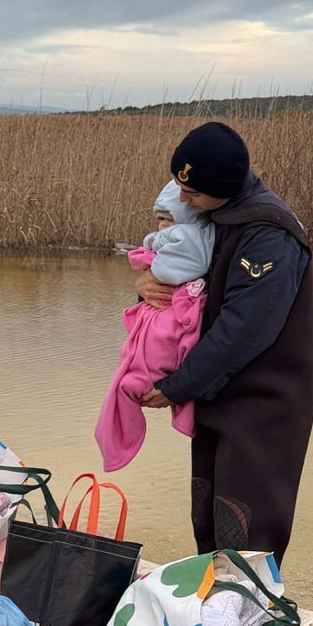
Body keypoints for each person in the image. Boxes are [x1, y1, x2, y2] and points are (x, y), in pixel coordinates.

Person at [137, 121, 313, 561]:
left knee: (248, 530)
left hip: (264, 405)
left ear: (224, 187)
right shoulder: (214, 216)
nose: (182, 200)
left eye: (193, 193)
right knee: (210, 517)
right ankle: (214, 612)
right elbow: (186, 286)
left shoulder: (269, 234)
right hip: (217, 395)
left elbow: (243, 330)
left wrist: (178, 385)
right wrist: (147, 284)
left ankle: (250, 613)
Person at [94, 181, 213, 472]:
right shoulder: (187, 234)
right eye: (159, 218)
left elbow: (179, 267)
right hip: (172, 317)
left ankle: (121, 432)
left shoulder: (191, 237)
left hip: (182, 327)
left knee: (145, 360)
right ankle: (120, 429)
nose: (161, 225)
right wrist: (144, 281)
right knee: (133, 360)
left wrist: (152, 267)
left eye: (167, 218)